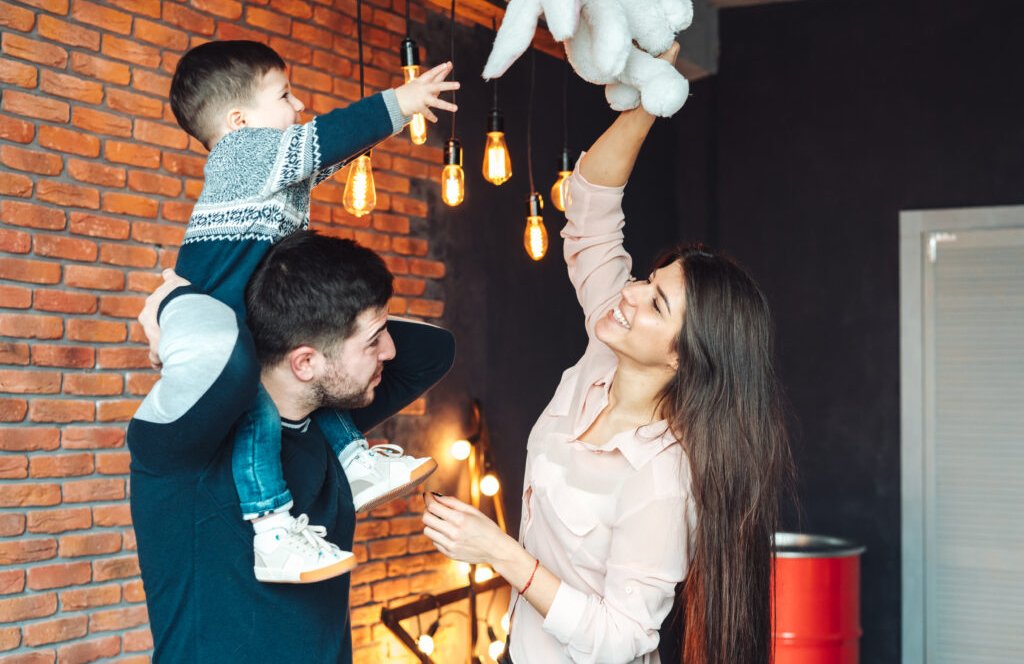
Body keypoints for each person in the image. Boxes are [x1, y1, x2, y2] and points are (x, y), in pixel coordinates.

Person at [421, 44, 792, 663]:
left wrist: (503, 556)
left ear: (685, 358)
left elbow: (623, 638)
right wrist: (650, 97)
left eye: (657, 305)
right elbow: (590, 206)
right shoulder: (605, 350)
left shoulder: (664, 478)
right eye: (649, 281)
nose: (631, 297)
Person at [166, 40, 459, 583]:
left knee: (318, 369)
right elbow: (323, 141)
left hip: (249, 318)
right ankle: (273, 529)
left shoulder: (266, 170)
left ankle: (355, 463)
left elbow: (324, 158)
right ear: (238, 120)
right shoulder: (242, 155)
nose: (298, 105)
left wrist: (383, 130)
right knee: (257, 415)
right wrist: (401, 102)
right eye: (284, 94)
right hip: (224, 328)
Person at [128, 231, 455, 661]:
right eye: (374, 339)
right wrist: (171, 305)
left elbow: (435, 352)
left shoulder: (332, 428)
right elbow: (219, 353)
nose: (390, 350)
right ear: (305, 362)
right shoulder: (187, 444)